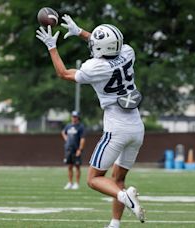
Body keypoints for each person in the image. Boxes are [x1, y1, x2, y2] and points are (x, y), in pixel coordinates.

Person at [36, 14, 145, 226]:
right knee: (118, 180)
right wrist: (80, 32)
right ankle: (115, 224)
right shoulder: (128, 52)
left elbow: (64, 73)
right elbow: (108, 46)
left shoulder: (96, 67)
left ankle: (125, 197)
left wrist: (51, 47)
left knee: (94, 179)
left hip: (116, 129)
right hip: (137, 128)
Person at [61, 111, 86, 190]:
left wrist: (80, 149)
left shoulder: (80, 127)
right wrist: (66, 139)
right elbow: (63, 132)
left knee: (77, 166)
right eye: (73, 116)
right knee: (69, 166)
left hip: (76, 149)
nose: (74, 118)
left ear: (78, 117)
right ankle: (70, 183)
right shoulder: (68, 126)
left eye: (75, 117)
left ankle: (77, 183)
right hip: (68, 149)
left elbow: (82, 139)